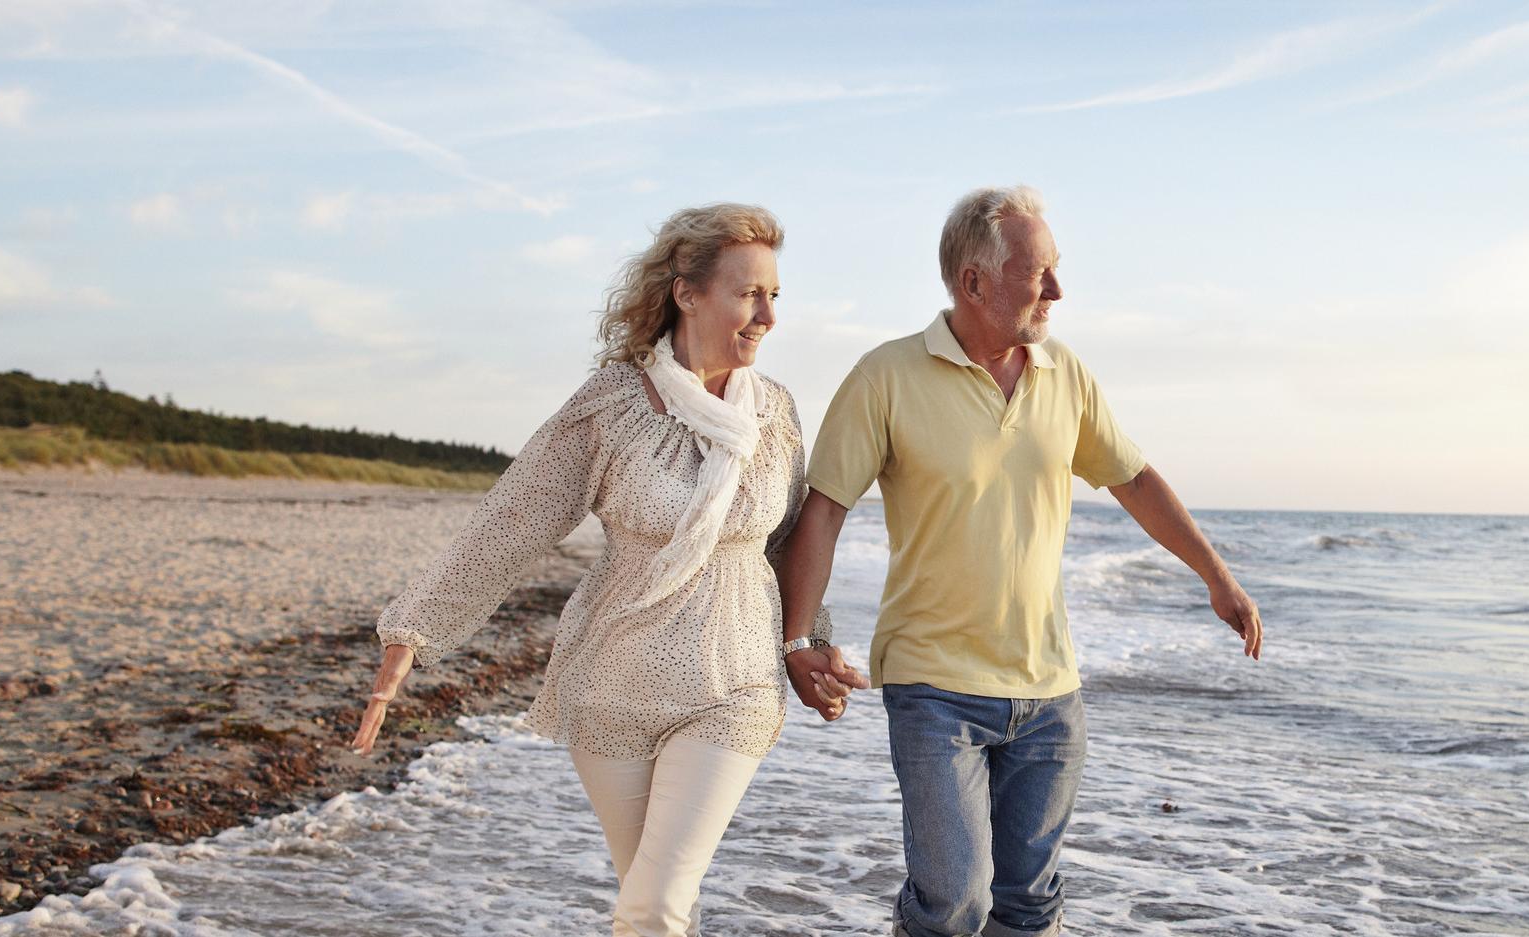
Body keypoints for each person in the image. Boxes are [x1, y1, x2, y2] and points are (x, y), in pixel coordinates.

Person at [347, 202, 867, 937]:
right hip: (612, 686)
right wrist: (414, 629)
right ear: (687, 292)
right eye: (749, 293)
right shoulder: (611, 404)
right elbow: (513, 518)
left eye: (775, 295)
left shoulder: (773, 412)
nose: (768, 316)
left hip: (735, 687)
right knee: (654, 905)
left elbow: (786, 541)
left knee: (652, 908)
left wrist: (805, 643)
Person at [776, 185, 1263, 937]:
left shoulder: (1065, 374)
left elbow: (1132, 478)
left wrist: (1218, 577)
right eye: (1040, 274)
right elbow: (826, 507)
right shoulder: (887, 375)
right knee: (955, 902)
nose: (1059, 291)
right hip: (933, 685)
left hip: (1050, 692)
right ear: (974, 281)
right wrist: (798, 639)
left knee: (1029, 904)